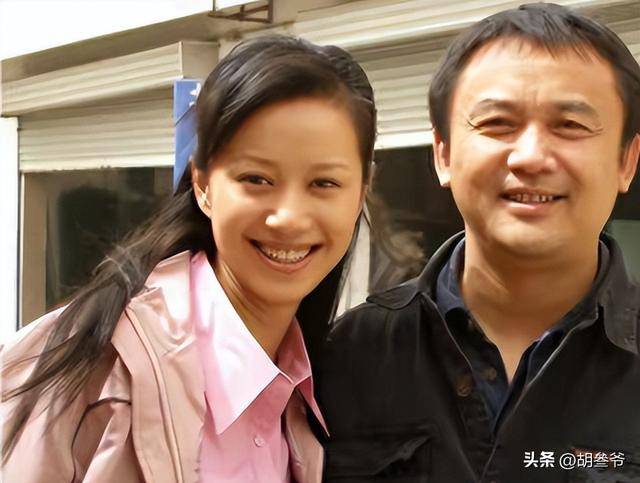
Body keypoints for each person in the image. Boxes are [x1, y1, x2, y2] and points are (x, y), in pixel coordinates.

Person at [1, 35, 376, 482]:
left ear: (361, 193)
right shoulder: (90, 362)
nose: (288, 217)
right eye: (257, 179)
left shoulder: (312, 391)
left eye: (324, 184)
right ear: (202, 184)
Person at [317, 3, 640, 482]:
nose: (530, 156)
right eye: (498, 124)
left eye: (570, 125)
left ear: (626, 161)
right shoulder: (349, 355)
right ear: (443, 154)